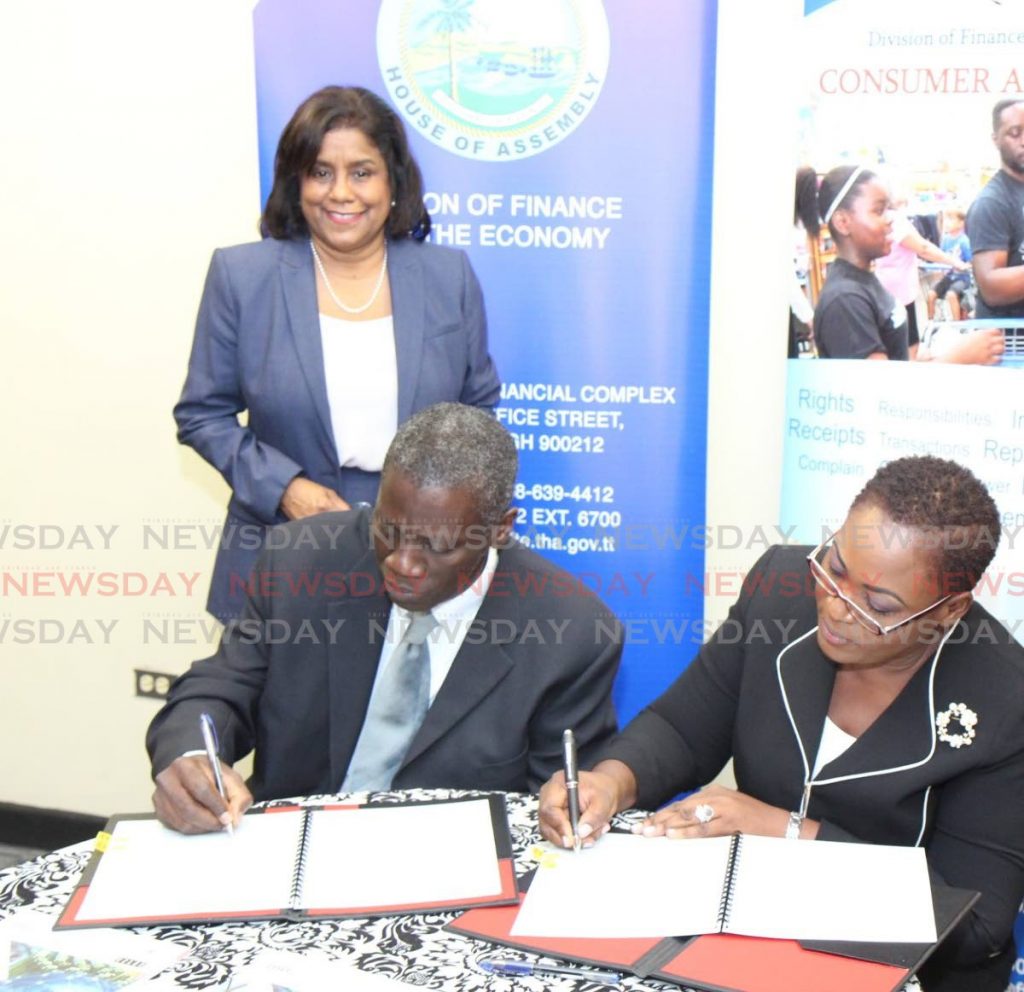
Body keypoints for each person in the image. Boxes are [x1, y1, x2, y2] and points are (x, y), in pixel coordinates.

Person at [540, 456, 1024, 992]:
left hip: (898, 974)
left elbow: (974, 923)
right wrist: (611, 780)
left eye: (879, 605)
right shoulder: (781, 590)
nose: (838, 607)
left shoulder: (1005, 698)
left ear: (948, 611)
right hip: (749, 949)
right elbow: (683, 728)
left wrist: (788, 833)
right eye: (835, 568)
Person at [150, 403, 623, 833]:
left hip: (450, 880)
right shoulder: (301, 561)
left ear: (500, 529)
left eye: (436, 545)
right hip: (291, 855)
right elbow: (219, 689)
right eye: (388, 531)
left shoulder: (571, 633)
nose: (402, 562)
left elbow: (556, 808)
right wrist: (194, 758)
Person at [174, 86, 500, 621]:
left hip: (421, 556)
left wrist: (433, 511)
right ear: (295, 182)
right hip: (281, 548)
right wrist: (285, 489)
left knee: (403, 706)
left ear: (393, 181)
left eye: (362, 172)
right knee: (273, 706)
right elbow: (201, 414)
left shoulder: (449, 277)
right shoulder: (242, 277)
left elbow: (478, 412)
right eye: (321, 172)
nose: (341, 192)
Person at [814, 165, 1003, 364]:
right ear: (843, 222)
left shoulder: (865, 281)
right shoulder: (845, 301)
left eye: (889, 209)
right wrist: (958, 357)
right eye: (878, 211)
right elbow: (879, 390)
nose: (890, 220)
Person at [873, 191, 970, 355]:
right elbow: (924, 248)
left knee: (895, 342)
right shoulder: (895, 220)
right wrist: (954, 262)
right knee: (908, 345)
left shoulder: (881, 219)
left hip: (887, 286)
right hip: (900, 291)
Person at [967, 98, 1024, 319]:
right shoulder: (991, 203)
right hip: (1011, 344)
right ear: (996, 140)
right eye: (1015, 133)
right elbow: (992, 287)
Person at [927, 207, 973, 321]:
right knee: (931, 294)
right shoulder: (945, 239)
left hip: (962, 278)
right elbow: (940, 257)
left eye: (950, 219)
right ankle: (931, 321)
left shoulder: (964, 241)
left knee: (951, 295)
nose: (946, 223)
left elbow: (971, 261)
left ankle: (956, 325)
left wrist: (964, 266)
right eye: (945, 220)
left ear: (961, 223)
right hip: (948, 277)